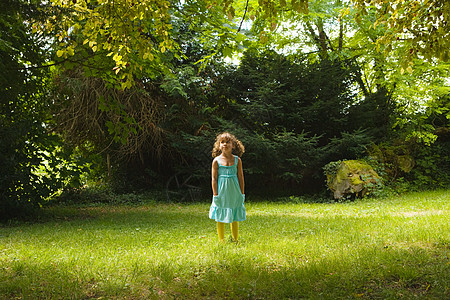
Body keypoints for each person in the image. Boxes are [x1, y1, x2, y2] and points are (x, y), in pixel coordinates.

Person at [209, 132, 246, 242]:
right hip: (222, 191)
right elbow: (214, 179)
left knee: (234, 214)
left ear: (233, 145)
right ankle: (221, 240)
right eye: (222, 142)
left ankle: (235, 239)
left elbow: (240, 177)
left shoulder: (237, 160)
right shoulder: (216, 161)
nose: (225, 144)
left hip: (234, 190)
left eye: (228, 142)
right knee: (220, 213)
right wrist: (215, 194)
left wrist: (242, 193)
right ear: (219, 145)